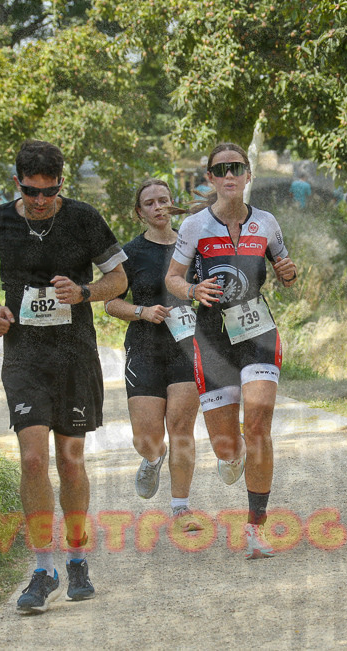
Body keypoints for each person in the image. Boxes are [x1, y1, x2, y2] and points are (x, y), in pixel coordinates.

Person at [0, 140, 127, 614]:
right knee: (34, 459)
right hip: (23, 356)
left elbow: (119, 279)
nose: (41, 201)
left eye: (50, 191)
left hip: (74, 355)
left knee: (70, 461)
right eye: (32, 191)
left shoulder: (82, 218)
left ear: (62, 182)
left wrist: (83, 291)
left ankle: (77, 555)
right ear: (16, 181)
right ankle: (43, 568)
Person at [165, 142, 298, 559]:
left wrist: (289, 272)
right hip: (212, 337)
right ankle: (231, 455)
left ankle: (255, 528)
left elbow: (284, 266)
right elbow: (172, 277)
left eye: (236, 168)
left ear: (247, 175)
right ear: (210, 178)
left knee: (257, 424)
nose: (229, 175)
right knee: (227, 446)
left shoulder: (267, 223)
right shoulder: (194, 227)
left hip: (257, 328)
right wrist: (190, 289)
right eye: (220, 169)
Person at [105, 179, 202, 532]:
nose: (158, 207)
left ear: (172, 204)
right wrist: (142, 312)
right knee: (147, 438)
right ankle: (152, 459)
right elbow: (110, 303)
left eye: (164, 200)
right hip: (145, 347)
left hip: (187, 348)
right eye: (150, 203)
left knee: (181, 428)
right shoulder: (130, 254)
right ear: (139, 212)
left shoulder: (194, 248)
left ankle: (181, 508)